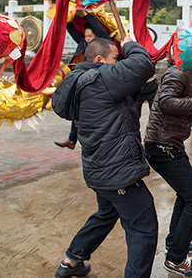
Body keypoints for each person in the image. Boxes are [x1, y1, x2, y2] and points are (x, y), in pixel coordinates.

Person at [52, 37, 157, 278]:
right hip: (116, 171)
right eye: (115, 58)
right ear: (99, 60)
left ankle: (71, 260)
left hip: (100, 167)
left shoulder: (82, 80)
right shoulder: (99, 78)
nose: (119, 62)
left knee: (107, 213)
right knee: (143, 226)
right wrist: (130, 44)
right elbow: (143, 65)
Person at [144, 64, 192, 277]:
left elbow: (185, 111)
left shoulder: (191, 75)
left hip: (170, 144)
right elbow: (167, 103)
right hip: (162, 146)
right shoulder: (177, 72)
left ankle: (176, 243)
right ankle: (176, 259)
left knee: (186, 197)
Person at [54, 12, 112, 150]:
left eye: (90, 36)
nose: (87, 39)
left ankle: (92, 142)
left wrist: (87, 15)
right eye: (85, 36)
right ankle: (72, 139)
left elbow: (100, 31)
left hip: (98, 84)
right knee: (78, 110)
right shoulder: (82, 43)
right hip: (83, 83)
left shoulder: (103, 45)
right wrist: (66, 12)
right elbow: (71, 29)